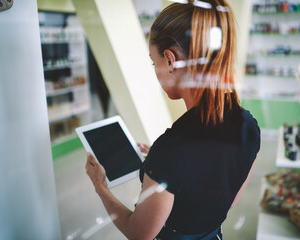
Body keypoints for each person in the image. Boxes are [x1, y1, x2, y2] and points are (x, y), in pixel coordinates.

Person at [85, 0, 261, 239]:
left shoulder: (171, 151)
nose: (154, 69)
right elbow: (222, 201)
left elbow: (139, 234)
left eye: (153, 61)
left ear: (170, 60)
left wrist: (101, 187)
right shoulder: (248, 126)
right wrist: (161, 168)